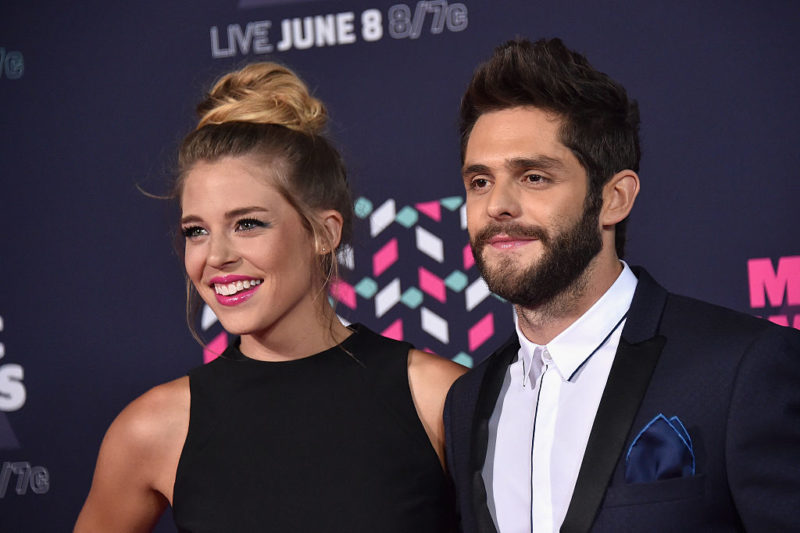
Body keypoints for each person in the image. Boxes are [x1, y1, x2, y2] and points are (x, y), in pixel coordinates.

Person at [74, 62, 465, 533]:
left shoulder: (437, 398)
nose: (216, 256)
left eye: (248, 224)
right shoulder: (153, 428)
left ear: (324, 232)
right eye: (196, 231)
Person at [443, 38, 800, 533]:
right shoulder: (466, 400)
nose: (498, 205)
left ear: (614, 198)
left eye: (534, 177)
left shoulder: (741, 369)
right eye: (479, 181)